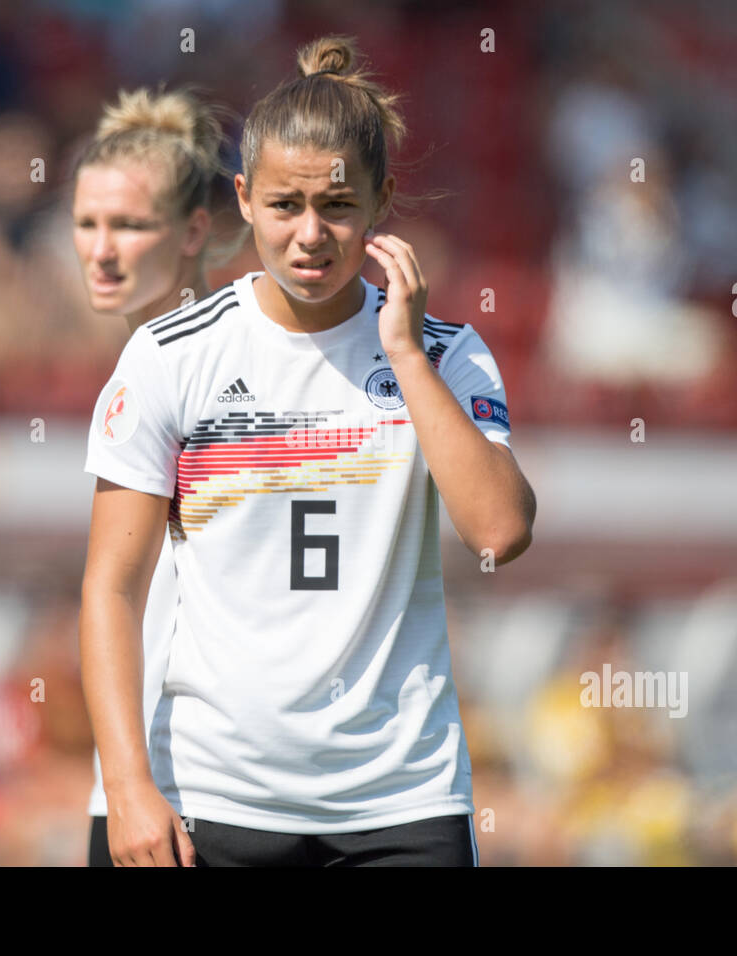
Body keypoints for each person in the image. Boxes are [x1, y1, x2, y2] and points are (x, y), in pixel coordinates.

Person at [80, 35, 536, 867]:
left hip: (401, 800)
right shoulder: (170, 355)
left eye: (338, 206)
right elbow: (110, 587)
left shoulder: (446, 354)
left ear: (382, 201)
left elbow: (499, 530)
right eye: (286, 206)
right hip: (204, 797)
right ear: (245, 199)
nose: (312, 235)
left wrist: (401, 355)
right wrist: (126, 788)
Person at [68, 84, 234, 867]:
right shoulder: (138, 371)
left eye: (130, 226)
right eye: (87, 224)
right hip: (141, 786)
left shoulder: (218, 369)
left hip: (207, 792)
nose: (102, 250)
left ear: (196, 229)